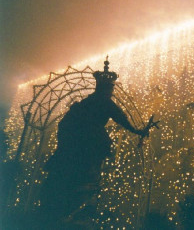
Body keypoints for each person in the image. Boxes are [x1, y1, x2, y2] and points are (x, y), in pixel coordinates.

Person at [39, 58, 158, 228]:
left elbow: (65, 124)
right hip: (92, 143)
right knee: (88, 176)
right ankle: (78, 209)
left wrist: (66, 143)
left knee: (79, 177)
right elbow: (122, 118)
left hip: (77, 146)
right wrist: (138, 131)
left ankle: (69, 209)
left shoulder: (85, 103)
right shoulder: (104, 102)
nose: (111, 91)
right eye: (110, 88)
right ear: (106, 88)